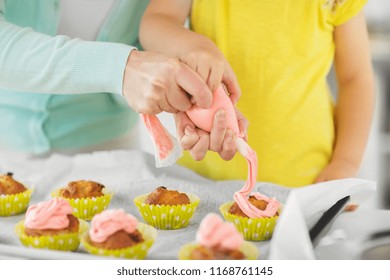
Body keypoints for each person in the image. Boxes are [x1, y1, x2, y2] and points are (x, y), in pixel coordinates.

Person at [139, 0, 375, 187]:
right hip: (204, 176)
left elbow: (355, 79)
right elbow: (154, 23)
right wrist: (193, 45)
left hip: (307, 181)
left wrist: (346, 162)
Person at [0, 0, 216, 156]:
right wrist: (121, 68)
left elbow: (147, 40)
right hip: (7, 148)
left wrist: (172, 97)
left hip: (111, 151)